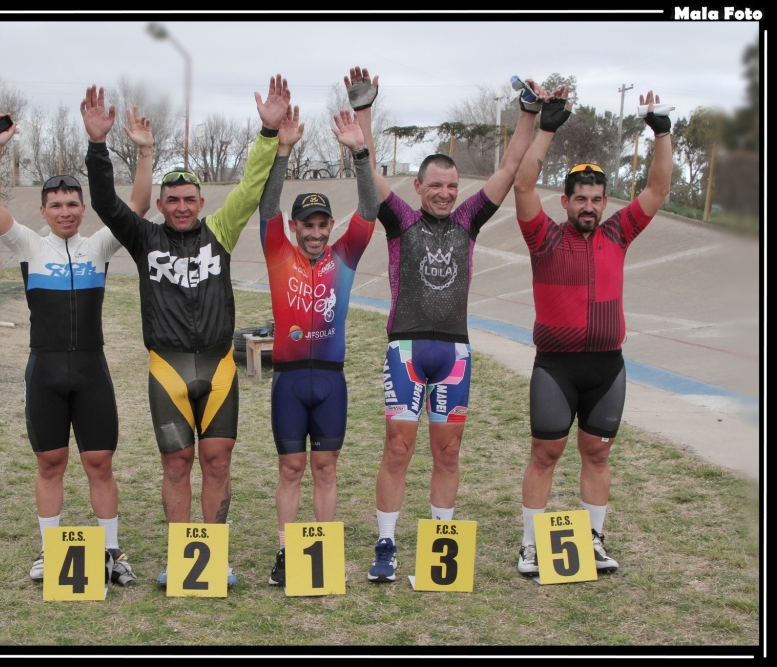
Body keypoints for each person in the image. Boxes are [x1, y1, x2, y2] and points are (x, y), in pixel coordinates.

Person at [82, 76, 291, 586]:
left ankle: (213, 555)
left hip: (219, 365)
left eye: (188, 199)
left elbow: (249, 187)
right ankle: (182, 557)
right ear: (161, 203)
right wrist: (97, 145)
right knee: (177, 463)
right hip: (167, 367)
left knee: (216, 461)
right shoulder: (143, 235)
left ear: (200, 202)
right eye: (171, 198)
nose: (180, 206)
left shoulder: (219, 231)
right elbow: (107, 203)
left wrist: (267, 132)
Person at [348, 66, 544, 583]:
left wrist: (528, 114)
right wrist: (364, 110)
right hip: (407, 349)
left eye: (452, 186)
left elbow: (508, 165)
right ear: (419, 186)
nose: (445, 193)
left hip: (454, 353)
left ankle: (440, 544)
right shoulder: (400, 219)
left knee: (449, 451)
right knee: (398, 448)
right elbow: (370, 176)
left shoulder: (468, 220)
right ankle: (386, 544)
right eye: (436, 185)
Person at [0, 108, 153, 587]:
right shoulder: (30, 247)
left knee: (100, 463)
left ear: (83, 208)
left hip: (92, 370)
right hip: (46, 372)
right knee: (50, 463)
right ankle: (48, 551)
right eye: (56, 205)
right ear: (43, 211)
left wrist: (143, 152)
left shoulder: (98, 245)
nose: (65, 212)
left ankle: (113, 553)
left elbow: (138, 206)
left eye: (72, 204)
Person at [512, 88, 674, 575]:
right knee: (546, 453)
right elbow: (522, 187)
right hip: (556, 367)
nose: (588, 205)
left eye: (596, 199)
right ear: (565, 200)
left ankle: (596, 539)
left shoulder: (618, 232)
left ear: (605, 202)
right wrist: (546, 129)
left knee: (597, 454)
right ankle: (529, 546)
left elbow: (658, 189)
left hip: (607, 366)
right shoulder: (543, 236)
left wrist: (662, 131)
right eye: (580, 198)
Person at [257, 106, 379, 586]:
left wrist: (360, 154)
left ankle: (321, 553)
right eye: (306, 224)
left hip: (331, 380)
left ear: (331, 227)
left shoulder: (345, 255)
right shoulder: (277, 250)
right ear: (294, 228)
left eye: (321, 224)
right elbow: (267, 205)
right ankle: (288, 554)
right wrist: (282, 151)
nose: (314, 233)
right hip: (288, 380)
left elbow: (369, 209)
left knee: (326, 469)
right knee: (290, 469)